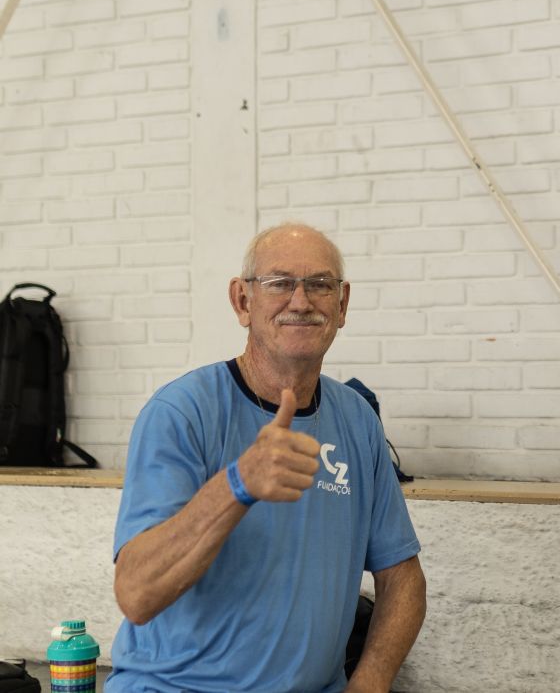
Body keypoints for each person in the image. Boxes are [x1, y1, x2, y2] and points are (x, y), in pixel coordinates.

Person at [107, 223, 426, 692]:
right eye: (279, 283)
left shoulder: (357, 419)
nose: (301, 301)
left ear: (342, 305)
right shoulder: (181, 412)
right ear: (243, 301)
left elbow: (403, 579)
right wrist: (237, 484)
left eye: (320, 284)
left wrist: (371, 679)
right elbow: (136, 595)